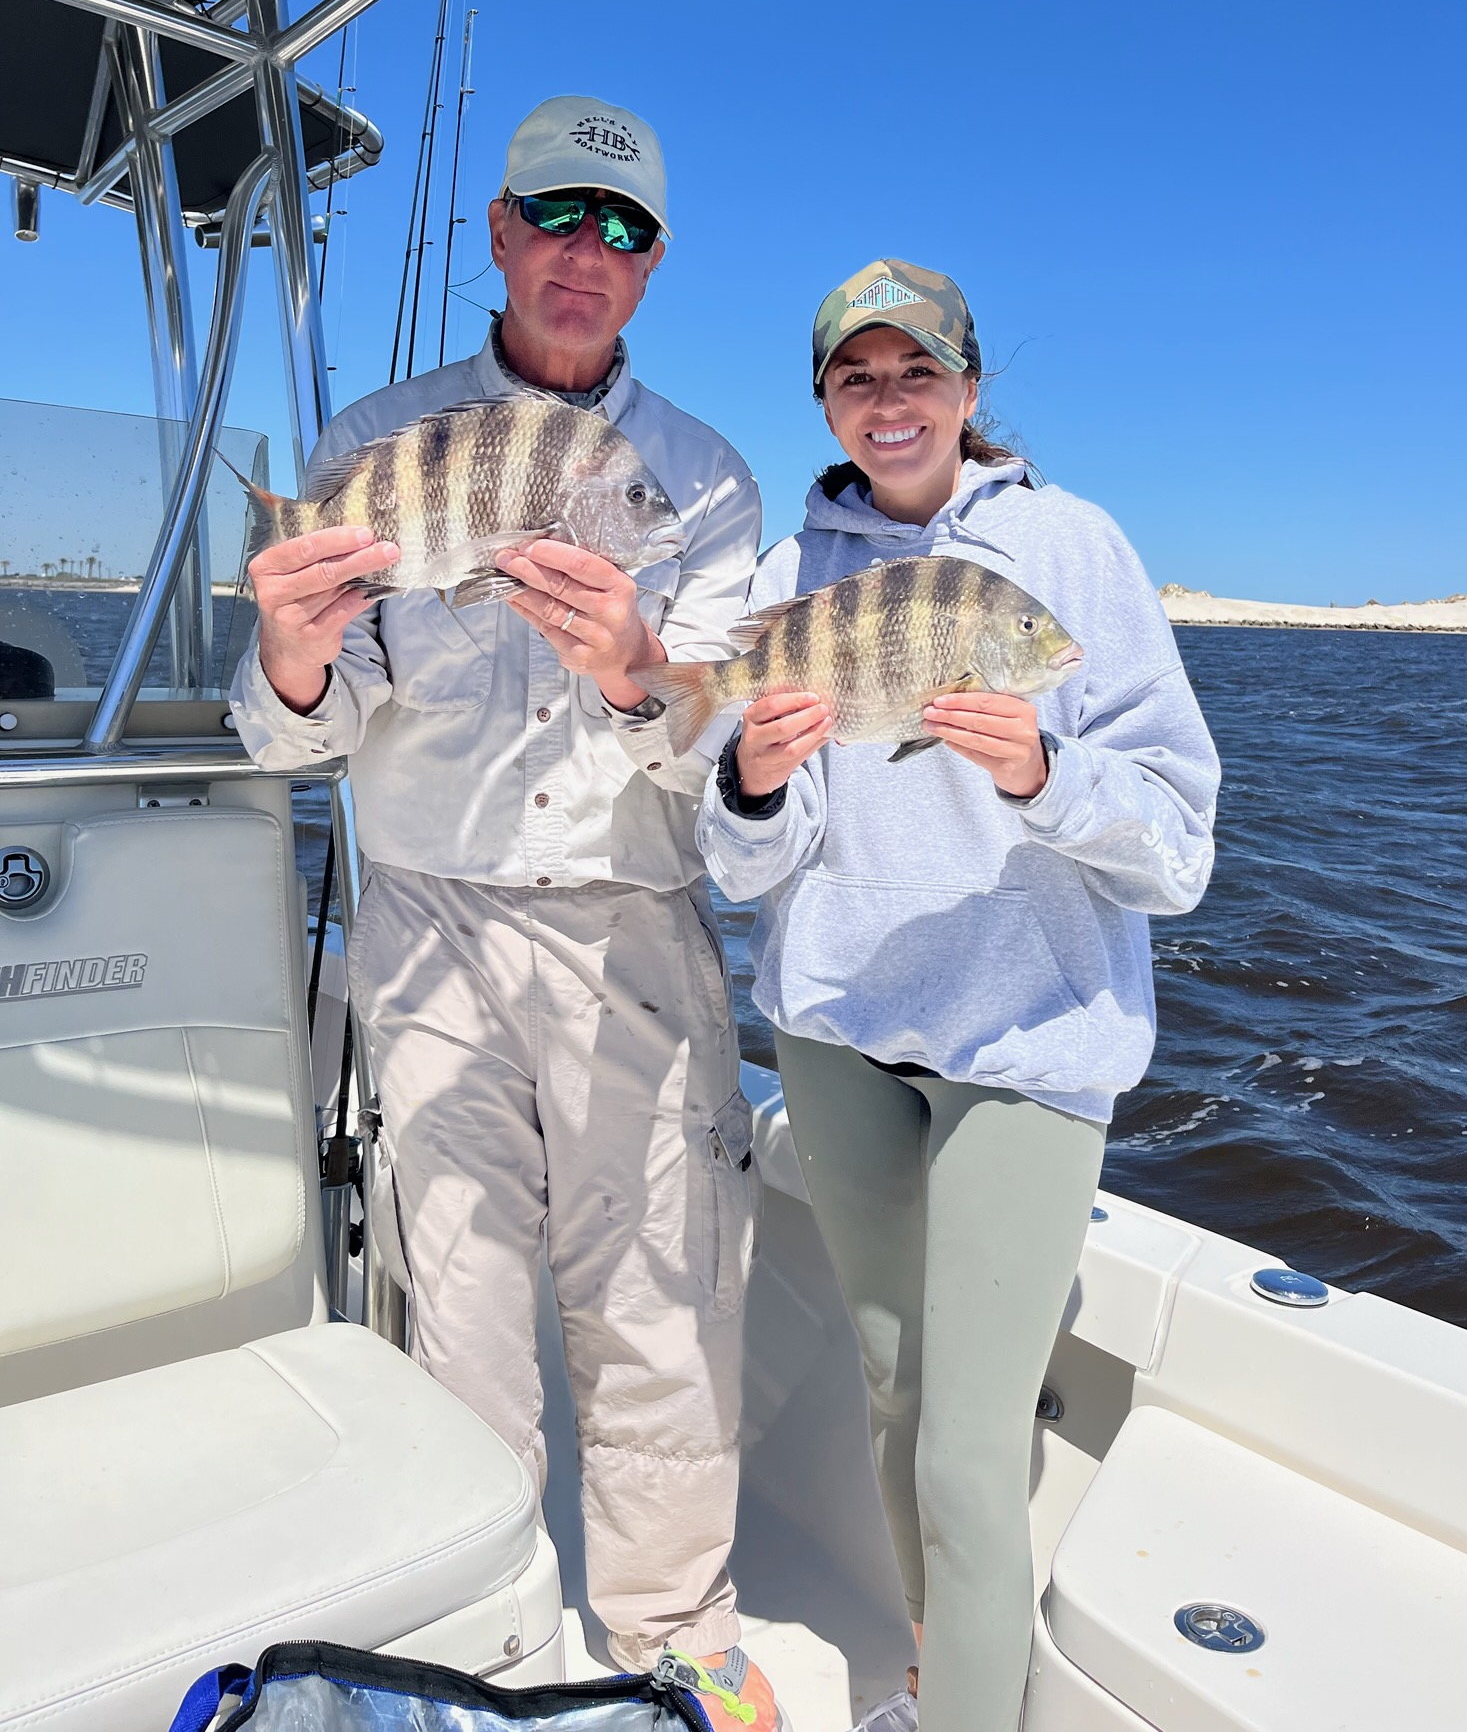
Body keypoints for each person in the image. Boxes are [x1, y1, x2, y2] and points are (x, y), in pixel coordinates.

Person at [230, 96, 783, 1732]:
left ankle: (674, 1628)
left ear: (653, 265)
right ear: (497, 231)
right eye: (556, 213)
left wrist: (636, 670)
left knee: (663, 1298)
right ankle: (481, 1634)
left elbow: (717, 751)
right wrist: (292, 651)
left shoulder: (706, 482)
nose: (584, 251)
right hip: (429, 926)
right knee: (459, 1293)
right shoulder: (374, 442)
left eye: (622, 229)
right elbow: (308, 735)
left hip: (633, 932)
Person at [695, 259, 1220, 1732]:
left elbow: (1181, 848)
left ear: (970, 390)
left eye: (917, 371)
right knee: (893, 1391)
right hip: (836, 1033)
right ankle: (938, 1672)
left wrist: (1047, 775)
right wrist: (750, 780)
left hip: (1028, 1046)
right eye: (856, 377)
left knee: (968, 1449)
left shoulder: (1075, 552)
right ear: (825, 404)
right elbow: (745, 864)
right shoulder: (786, 579)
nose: (890, 401)